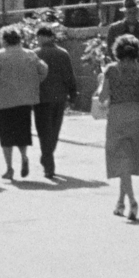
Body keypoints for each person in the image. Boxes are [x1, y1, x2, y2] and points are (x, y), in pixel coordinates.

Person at [0, 25, 48, 181]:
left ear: (4, 40)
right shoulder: (30, 55)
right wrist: (35, 82)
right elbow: (44, 69)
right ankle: (24, 156)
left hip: (4, 101)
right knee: (22, 133)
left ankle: (9, 168)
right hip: (25, 100)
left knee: (6, 136)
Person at [99, 33, 139, 221]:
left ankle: (132, 201)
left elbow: (103, 97)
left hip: (118, 114)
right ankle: (120, 203)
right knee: (128, 158)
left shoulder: (111, 70)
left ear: (117, 51)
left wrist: (101, 87)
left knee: (120, 158)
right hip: (137, 114)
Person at [33, 24, 77, 180]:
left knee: (43, 131)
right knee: (54, 130)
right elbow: (69, 76)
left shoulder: (35, 54)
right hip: (59, 98)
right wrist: (73, 95)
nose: (38, 40)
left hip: (41, 99)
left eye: (39, 37)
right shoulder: (62, 54)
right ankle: (47, 157)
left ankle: (47, 161)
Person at [105, 0, 139, 65]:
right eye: (129, 12)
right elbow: (110, 51)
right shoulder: (114, 29)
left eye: (134, 12)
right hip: (121, 69)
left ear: (138, 12)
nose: (132, 15)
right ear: (125, 13)